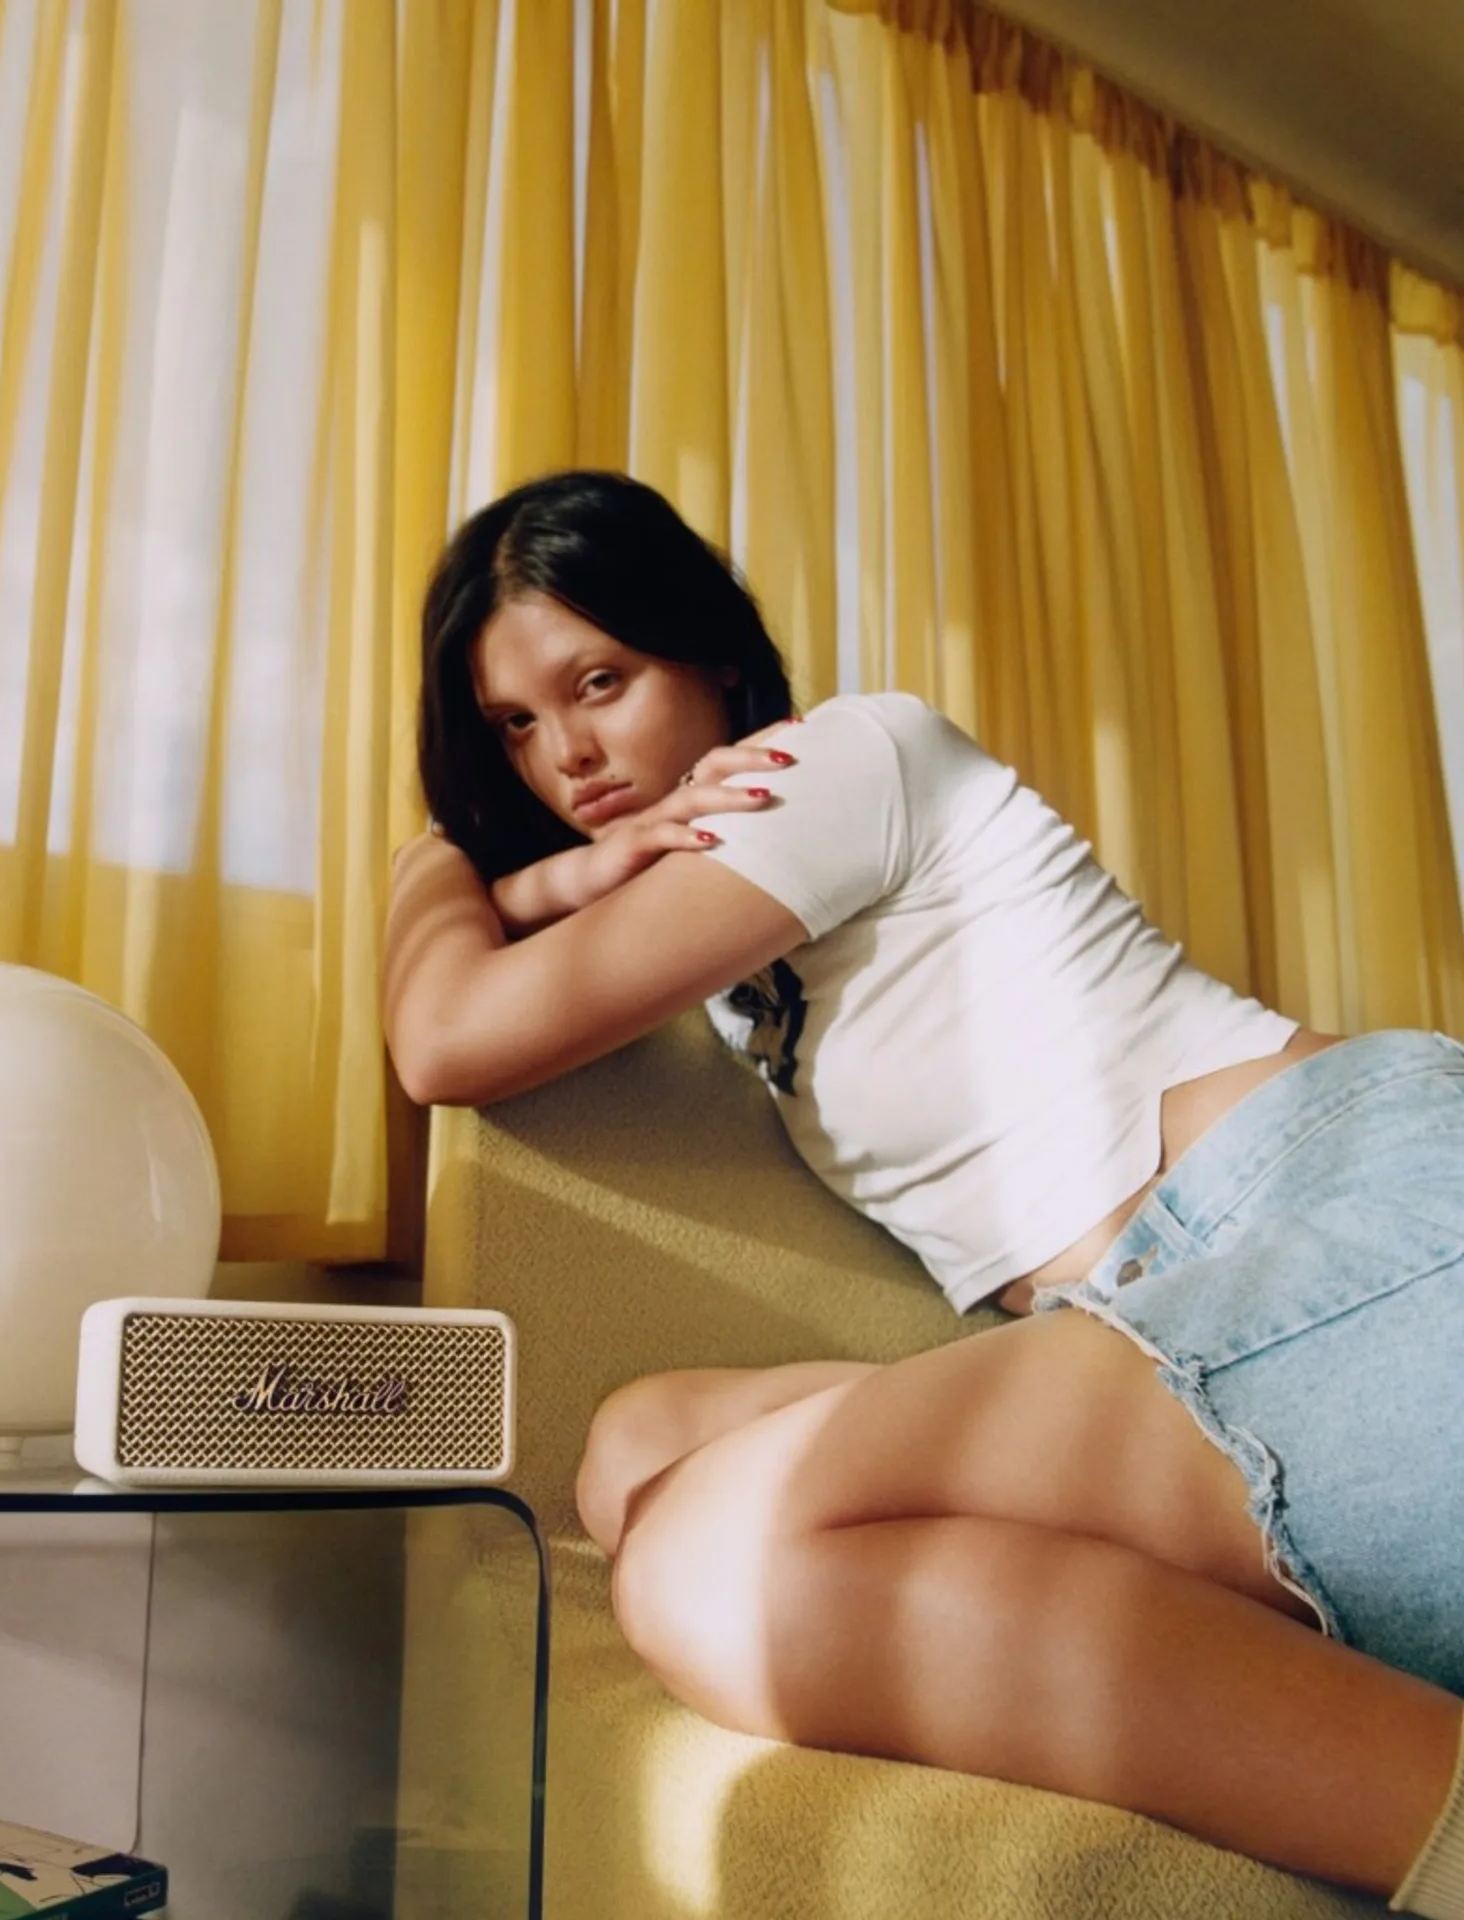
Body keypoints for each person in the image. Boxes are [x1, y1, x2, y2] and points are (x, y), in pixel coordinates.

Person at [382, 468, 1464, 1916]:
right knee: (642, 1450)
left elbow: (447, 1038)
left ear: (709, 654)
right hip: (1165, 1297)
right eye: (516, 726)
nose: (569, 756)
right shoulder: (728, 959)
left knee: (716, 1565)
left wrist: (451, 869)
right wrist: (548, 889)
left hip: (1343, 1208)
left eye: (602, 681)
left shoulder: (837, 764)